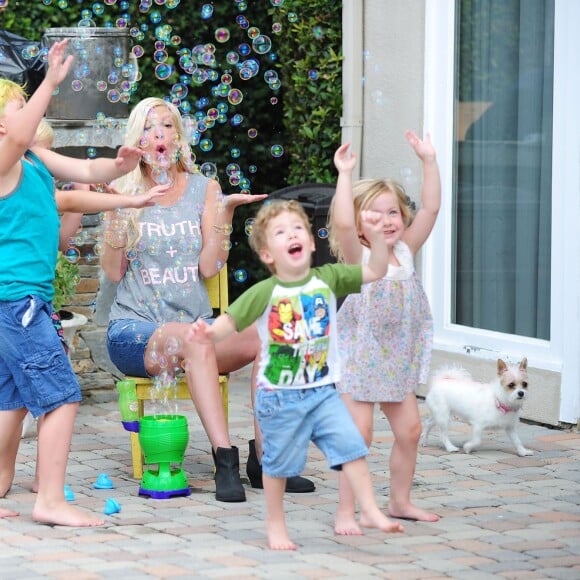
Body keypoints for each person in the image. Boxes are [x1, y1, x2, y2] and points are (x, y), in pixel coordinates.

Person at [187, 199, 405, 550]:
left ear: (311, 242)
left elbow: (375, 271)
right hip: (279, 396)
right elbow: (229, 322)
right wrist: (207, 335)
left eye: (298, 228)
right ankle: (275, 524)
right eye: (280, 232)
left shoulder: (330, 277)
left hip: (322, 392)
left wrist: (378, 242)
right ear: (267, 254)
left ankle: (370, 511)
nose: (292, 234)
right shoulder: (264, 292)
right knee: (277, 465)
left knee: (352, 447)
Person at [0, 39, 143, 525]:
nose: (30, 118)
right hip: (16, 302)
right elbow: (19, 138)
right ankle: (50, 501)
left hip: (23, 303)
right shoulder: (1, 163)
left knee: (9, 399)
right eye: (20, 109)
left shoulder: (34, 164)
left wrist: (120, 170)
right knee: (61, 396)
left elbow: (84, 173)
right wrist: (48, 83)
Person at [101, 96, 271, 503]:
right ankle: (224, 457)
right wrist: (116, 214)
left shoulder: (204, 188)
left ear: (179, 137)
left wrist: (225, 214)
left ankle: (266, 459)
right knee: (196, 338)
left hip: (196, 331)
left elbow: (210, 266)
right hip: (135, 331)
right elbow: (112, 271)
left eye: (166, 126)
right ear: (137, 139)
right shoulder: (124, 189)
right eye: (147, 127)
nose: (158, 134)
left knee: (266, 334)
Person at [328, 130, 441, 534]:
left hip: (395, 358)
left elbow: (429, 208)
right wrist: (344, 173)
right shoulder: (360, 258)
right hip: (360, 359)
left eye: (392, 212)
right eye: (373, 214)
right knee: (357, 435)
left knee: (410, 430)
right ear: (359, 223)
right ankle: (346, 511)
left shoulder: (406, 249)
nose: (386, 221)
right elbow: (341, 221)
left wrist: (428, 160)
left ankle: (400, 500)